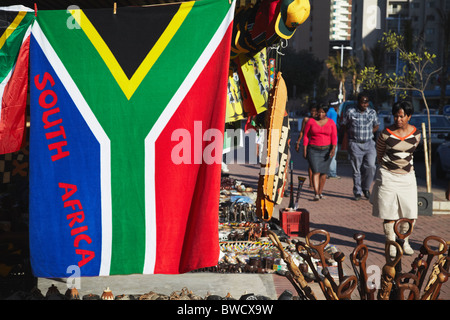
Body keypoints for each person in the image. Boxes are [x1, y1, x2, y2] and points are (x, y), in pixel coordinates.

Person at [371, 100, 421, 256]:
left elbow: (411, 154)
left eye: (401, 116)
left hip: (407, 178)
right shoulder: (385, 134)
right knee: (389, 212)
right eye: (395, 116)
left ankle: (404, 240)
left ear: (409, 116)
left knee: (410, 212)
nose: (398, 120)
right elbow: (379, 154)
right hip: (388, 176)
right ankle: (391, 243)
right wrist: (388, 168)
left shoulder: (416, 134)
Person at [342, 92, 379, 200]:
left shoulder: (372, 112)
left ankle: (366, 188)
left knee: (371, 166)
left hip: (369, 143)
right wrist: (350, 135)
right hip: (355, 144)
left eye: (366, 102)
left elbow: (376, 125)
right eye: (362, 102)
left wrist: (369, 132)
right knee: (356, 169)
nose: (364, 104)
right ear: (358, 102)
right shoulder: (351, 112)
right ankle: (357, 191)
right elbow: (344, 124)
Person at [302, 104, 337, 201]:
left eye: (323, 112)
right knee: (316, 171)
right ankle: (316, 193)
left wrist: (333, 149)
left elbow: (334, 136)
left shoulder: (331, 123)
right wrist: (304, 149)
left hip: (326, 150)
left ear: (326, 113)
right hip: (313, 150)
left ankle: (321, 192)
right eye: (319, 112)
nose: (320, 114)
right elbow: (306, 136)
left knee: (323, 173)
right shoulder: (311, 122)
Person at [295, 105, 317, 188]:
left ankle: (315, 181)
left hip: (318, 144)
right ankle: (311, 182)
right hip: (309, 144)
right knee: (311, 164)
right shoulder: (306, 120)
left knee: (316, 166)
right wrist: (298, 142)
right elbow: (302, 132)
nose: (313, 113)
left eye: (315, 111)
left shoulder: (319, 120)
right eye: (312, 111)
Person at [326, 100, 341, 179]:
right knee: (333, 155)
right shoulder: (334, 113)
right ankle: (332, 173)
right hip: (332, 137)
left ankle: (324, 172)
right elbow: (334, 126)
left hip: (325, 137)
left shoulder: (327, 112)